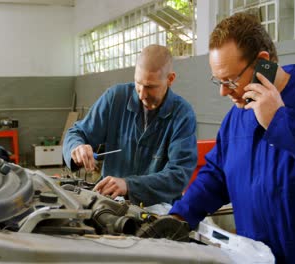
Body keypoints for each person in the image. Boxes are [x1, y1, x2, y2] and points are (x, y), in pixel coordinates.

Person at [169, 12, 295, 263]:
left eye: (231, 81)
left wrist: (279, 122)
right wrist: (179, 216)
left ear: (262, 63)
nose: (224, 92)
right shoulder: (236, 118)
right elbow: (216, 175)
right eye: (218, 81)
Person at [63, 44, 197, 209]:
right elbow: (77, 132)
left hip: (159, 209)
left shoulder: (182, 114)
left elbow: (178, 175)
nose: (141, 94)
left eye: (150, 87)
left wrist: (129, 186)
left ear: (170, 79)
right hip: (111, 204)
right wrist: (76, 147)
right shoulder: (115, 99)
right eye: (138, 83)